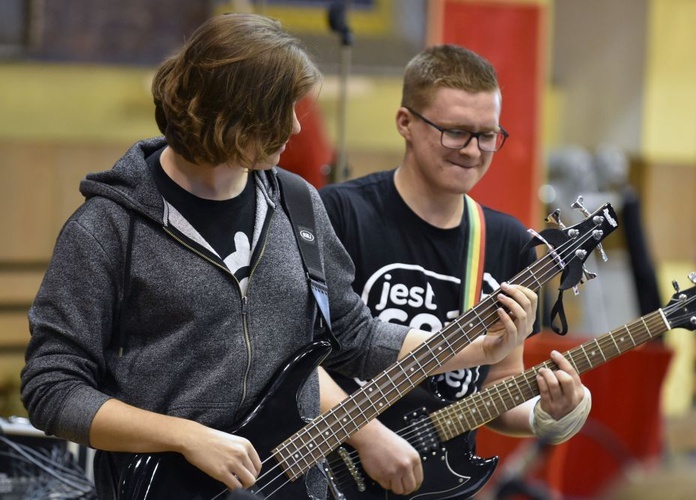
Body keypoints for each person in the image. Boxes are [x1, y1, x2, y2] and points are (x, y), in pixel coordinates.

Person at [19, 14, 538, 500]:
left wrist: (479, 348)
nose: (294, 129)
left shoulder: (297, 203)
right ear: (232, 116)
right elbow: (52, 388)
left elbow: (354, 336)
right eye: (280, 111)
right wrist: (184, 436)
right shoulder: (110, 227)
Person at [319, 44, 592, 495]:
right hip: (330, 472)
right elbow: (298, 358)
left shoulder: (508, 241)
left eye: (487, 135)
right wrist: (365, 436)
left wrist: (552, 414)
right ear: (406, 123)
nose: (472, 150)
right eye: (455, 132)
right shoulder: (339, 213)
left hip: (437, 484)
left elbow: (499, 386)